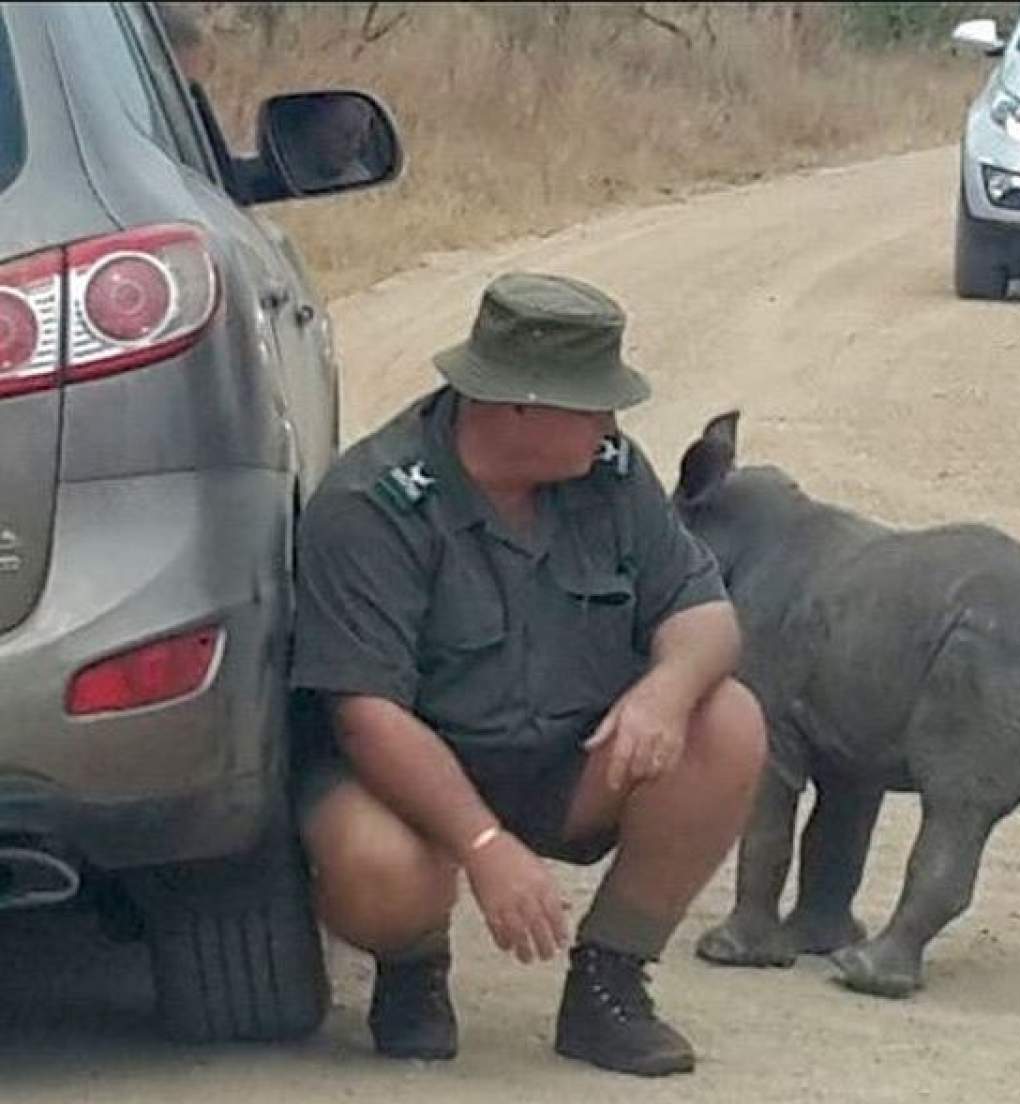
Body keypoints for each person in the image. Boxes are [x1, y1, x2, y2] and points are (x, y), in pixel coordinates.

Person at [290, 272, 767, 1077]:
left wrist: (664, 691)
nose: (610, 424)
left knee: (727, 721)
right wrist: (481, 844)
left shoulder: (610, 473)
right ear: (516, 406)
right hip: (407, 786)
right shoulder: (373, 504)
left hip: (566, 760)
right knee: (377, 867)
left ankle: (610, 982)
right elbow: (364, 717)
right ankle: (412, 969)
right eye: (591, 405)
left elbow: (705, 615)